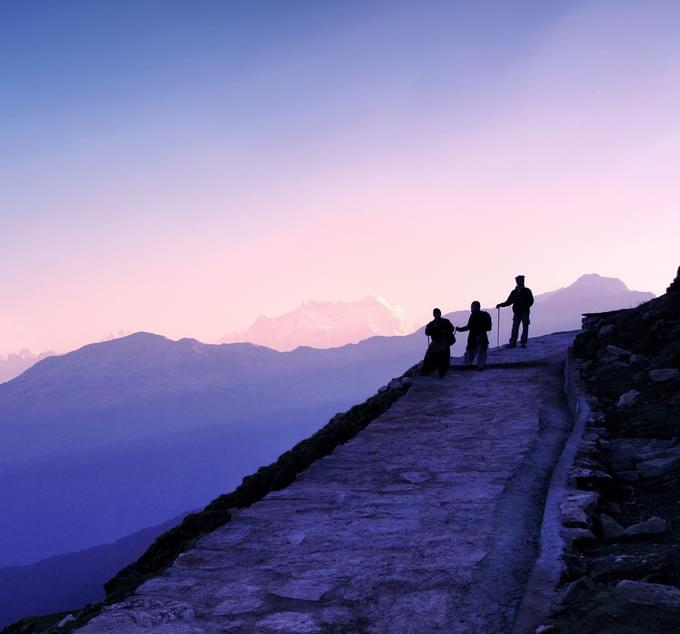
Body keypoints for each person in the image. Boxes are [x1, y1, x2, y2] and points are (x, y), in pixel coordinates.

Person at [496, 275, 534, 348]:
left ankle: (523, 342)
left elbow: (531, 301)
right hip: (517, 312)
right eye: (518, 281)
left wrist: (525, 306)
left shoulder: (527, 291)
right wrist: (500, 305)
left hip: (524, 312)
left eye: (521, 280)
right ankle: (513, 342)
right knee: (515, 327)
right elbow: (509, 302)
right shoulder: (514, 292)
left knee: (524, 327)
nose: (520, 282)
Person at [456, 301, 492, 369]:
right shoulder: (484, 315)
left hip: (475, 337)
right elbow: (489, 327)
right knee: (479, 352)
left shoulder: (475, 315)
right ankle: (480, 366)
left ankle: (469, 365)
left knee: (474, 352)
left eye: (472, 306)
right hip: (480, 336)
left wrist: (459, 329)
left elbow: (468, 327)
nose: (471, 308)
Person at [420, 308, 455, 377]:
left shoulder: (444, 322)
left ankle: (440, 371)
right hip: (436, 342)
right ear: (434, 314)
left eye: (437, 313)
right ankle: (426, 371)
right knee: (429, 355)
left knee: (443, 356)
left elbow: (451, 328)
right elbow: (427, 332)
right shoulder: (432, 324)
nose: (437, 314)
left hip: (443, 342)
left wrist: (445, 331)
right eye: (435, 313)